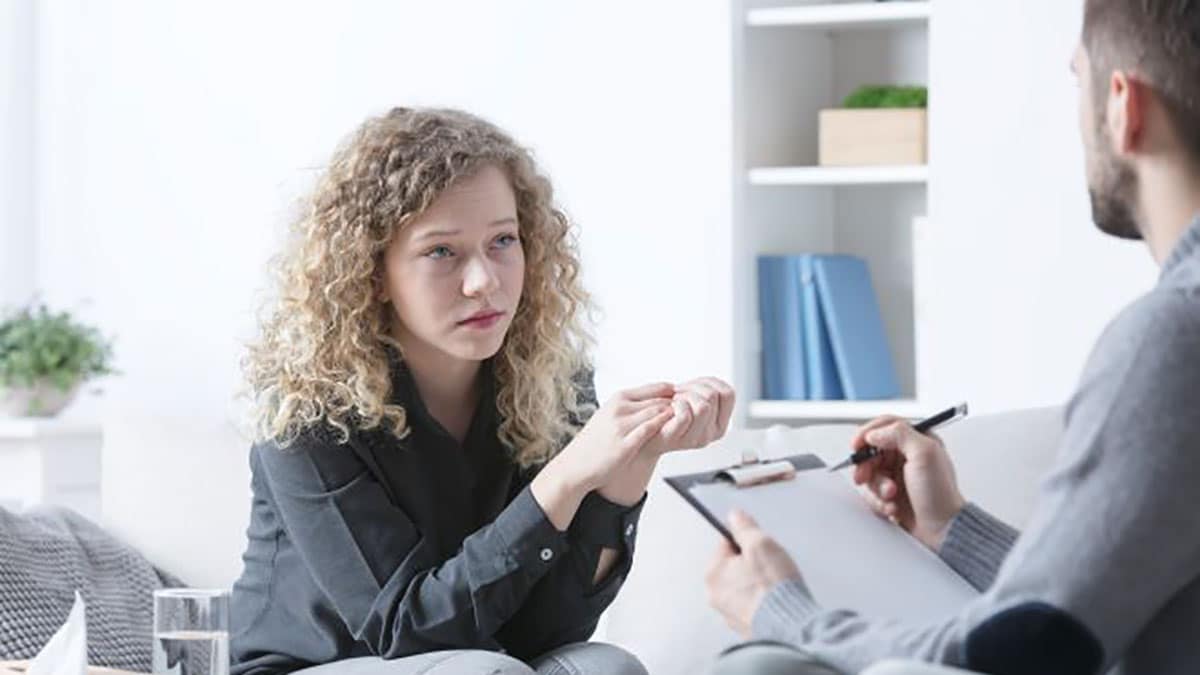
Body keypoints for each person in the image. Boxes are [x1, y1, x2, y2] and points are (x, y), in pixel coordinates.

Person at [705, 1, 1200, 673]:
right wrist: (951, 527)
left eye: (1076, 80)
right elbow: (1079, 610)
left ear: (1123, 105)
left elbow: (1020, 648)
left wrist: (782, 612)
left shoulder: (1171, 338)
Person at [230, 107, 735, 675]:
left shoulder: (550, 383)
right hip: (315, 667)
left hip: (486, 664)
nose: (485, 282)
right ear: (373, 272)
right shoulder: (307, 412)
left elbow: (544, 632)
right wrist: (565, 479)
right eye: (441, 252)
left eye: (502, 241)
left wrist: (626, 472)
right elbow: (402, 630)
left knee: (604, 666)